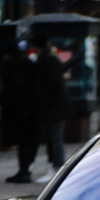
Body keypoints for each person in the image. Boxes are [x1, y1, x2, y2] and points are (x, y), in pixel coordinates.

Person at [31, 40, 74, 173]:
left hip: (53, 107)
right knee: (55, 137)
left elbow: (51, 84)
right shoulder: (52, 60)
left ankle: (58, 166)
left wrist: (41, 97)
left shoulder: (46, 62)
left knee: (55, 137)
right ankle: (56, 164)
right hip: (56, 106)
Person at [2, 40, 40, 183]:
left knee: (23, 141)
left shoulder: (12, 66)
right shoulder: (27, 63)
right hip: (29, 108)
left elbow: (16, 87)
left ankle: (24, 171)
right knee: (28, 141)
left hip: (19, 109)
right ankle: (26, 169)